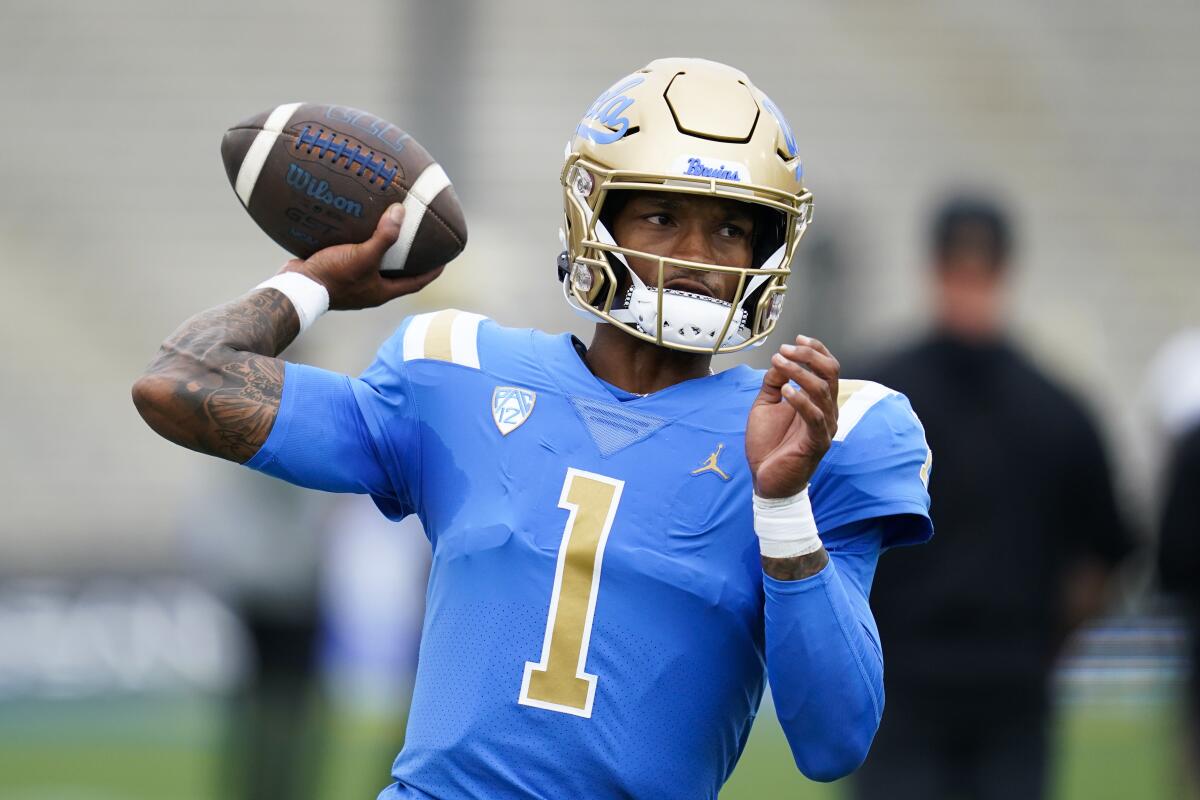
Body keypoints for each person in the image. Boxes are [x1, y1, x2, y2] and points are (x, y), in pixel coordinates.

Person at [133, 58, 933, 799]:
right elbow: (177, 385)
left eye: (731, 228)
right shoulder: (454, 371)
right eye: (661, 215)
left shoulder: (817, 432)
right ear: (596, 219)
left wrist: (785, 506)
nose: (698, 255)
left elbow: (834, 742)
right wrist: (309, 285)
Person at [854, 195, 1134, 800]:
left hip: (926, 678)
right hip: (977, 681)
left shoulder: (877, 397)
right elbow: (1106, 558)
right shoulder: (1060, 406)